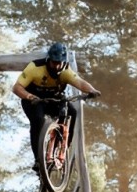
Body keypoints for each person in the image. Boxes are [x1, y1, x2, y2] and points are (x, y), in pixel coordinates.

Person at [11, 42, 101, 173]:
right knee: (38, 120)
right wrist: (30, 97)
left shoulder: (65, 71)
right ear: (49, 60)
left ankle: (63, 149)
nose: (57, 66)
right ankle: (38, 159)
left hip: (54, 98)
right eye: (54, 62)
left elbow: (79, 82)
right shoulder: (35, 67)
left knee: (72, 113)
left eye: (60, 62)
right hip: (34, 100)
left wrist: (92, 90)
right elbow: (17, 87)